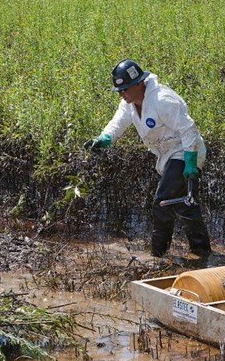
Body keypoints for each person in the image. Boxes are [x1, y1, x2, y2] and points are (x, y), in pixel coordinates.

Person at [86, 59, 211, 258]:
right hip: (166, 155)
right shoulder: (129, 102)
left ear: (138, 83)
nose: (122, 94)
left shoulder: (162, 100)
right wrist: (105, 138)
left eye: (125, 89)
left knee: (162, 202)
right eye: (119, 90)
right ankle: (202, 252)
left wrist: (189, 162)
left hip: (184, 151)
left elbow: (188, 129)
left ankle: (158, 255)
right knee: (183, 204)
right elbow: (118, 122)